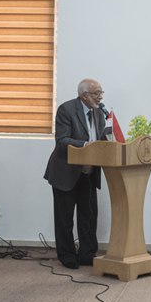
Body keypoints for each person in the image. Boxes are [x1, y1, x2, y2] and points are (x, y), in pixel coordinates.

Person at [43, 78, 111, 269]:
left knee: (88, 216)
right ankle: (67, 256)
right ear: (84, 95)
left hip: (88, 173)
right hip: (66, 172)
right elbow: (62, 141)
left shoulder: (99, 113)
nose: (100, 97)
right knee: (64, 219)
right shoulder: (66, 110)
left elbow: (102, 139)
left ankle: (87, 254)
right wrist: (87, 145)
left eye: (101, 92)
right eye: (96, 93)